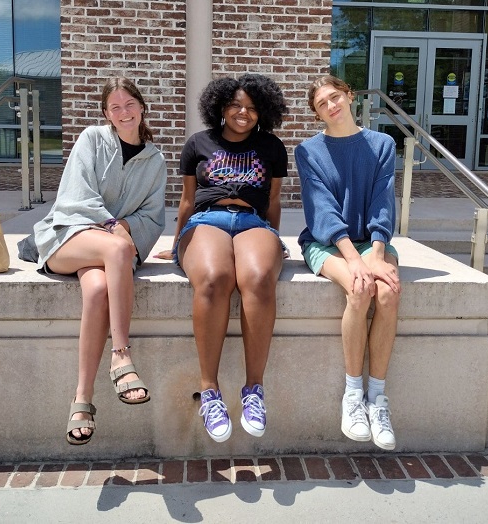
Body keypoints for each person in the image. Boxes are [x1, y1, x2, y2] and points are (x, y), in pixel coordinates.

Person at [33, 77, 167, 445]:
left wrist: (124, 225)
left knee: (95, 292)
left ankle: (82, 399)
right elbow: (75, 197)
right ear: (106, 114)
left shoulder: (155, 160)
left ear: (142, 107)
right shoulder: (92, 139)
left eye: (129, 105)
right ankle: (121, 355)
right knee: (118, 249)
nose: (124, 113)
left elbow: (154, 217)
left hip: (107, 251)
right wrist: (114, 228)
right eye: (115, 108)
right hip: (68, 237)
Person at [156, 74, 288, 442]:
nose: (243, 113)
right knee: (214, 279)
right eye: (235, 105)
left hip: (252, 222)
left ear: (263, 111)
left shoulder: (272, 146)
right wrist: (178, 241)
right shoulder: (199, 143)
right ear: (220, 107)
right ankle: (210, 391)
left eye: (251, 107)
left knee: (259, 277)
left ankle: (254, 391)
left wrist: (272, 239)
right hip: (206, 219)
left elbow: (273, 201)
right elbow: (186, 199)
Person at [295, 75, 401, 451]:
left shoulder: (382, 144)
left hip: (372, 241)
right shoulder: (308, 150)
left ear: (350, 96)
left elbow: (383, 201)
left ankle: (378, 399)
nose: (331, 106)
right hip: (327, 242)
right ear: (316, 113)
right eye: (322, 104)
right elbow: (320, 208)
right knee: (360, 289)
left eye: (335, 97)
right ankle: (353, 396)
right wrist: (354, 260)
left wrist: (375, 251)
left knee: (387, 293)